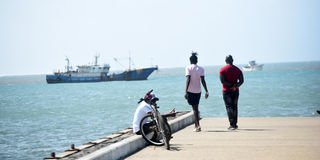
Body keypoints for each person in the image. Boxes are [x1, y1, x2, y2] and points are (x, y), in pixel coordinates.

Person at [185, 52, 209, 132]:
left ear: (190, 61)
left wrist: (185, 91)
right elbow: (203, 80)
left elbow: (188, 79)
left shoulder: (188, 68)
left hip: (190, 91)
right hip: (198, 91)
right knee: (196, 108)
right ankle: (196, 125)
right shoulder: (201, 69)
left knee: (194, 109)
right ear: (197, 60)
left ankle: (197, 126)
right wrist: (206, 91)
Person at [219, 55, 244, 130]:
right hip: (235, 91)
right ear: (232, 60)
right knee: (235, 107)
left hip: (226, 91)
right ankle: (235, 124)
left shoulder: (222, 70)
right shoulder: (238, 70)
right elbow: (241, 81)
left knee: (229, 107)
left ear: (225, 61)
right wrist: (235, 86)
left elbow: (223, 81)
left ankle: (232, 124)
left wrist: (231, 85)